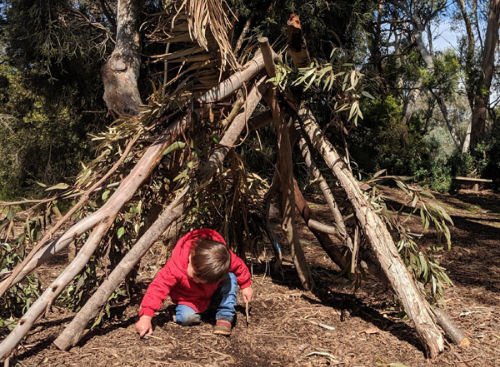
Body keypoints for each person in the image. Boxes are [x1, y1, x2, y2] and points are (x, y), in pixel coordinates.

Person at [135, 228, 253, 337]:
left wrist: (246, 285)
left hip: (213, 294)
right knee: (187, 318)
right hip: (190, 300)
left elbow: (238, 266)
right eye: (195, 276)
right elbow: (158, 287)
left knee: (230, 277)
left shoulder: (221, 258)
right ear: (192, 256)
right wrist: (146, 316)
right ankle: (184, 311)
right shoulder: (175, 266)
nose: (197, 280)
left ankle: (224, 315)